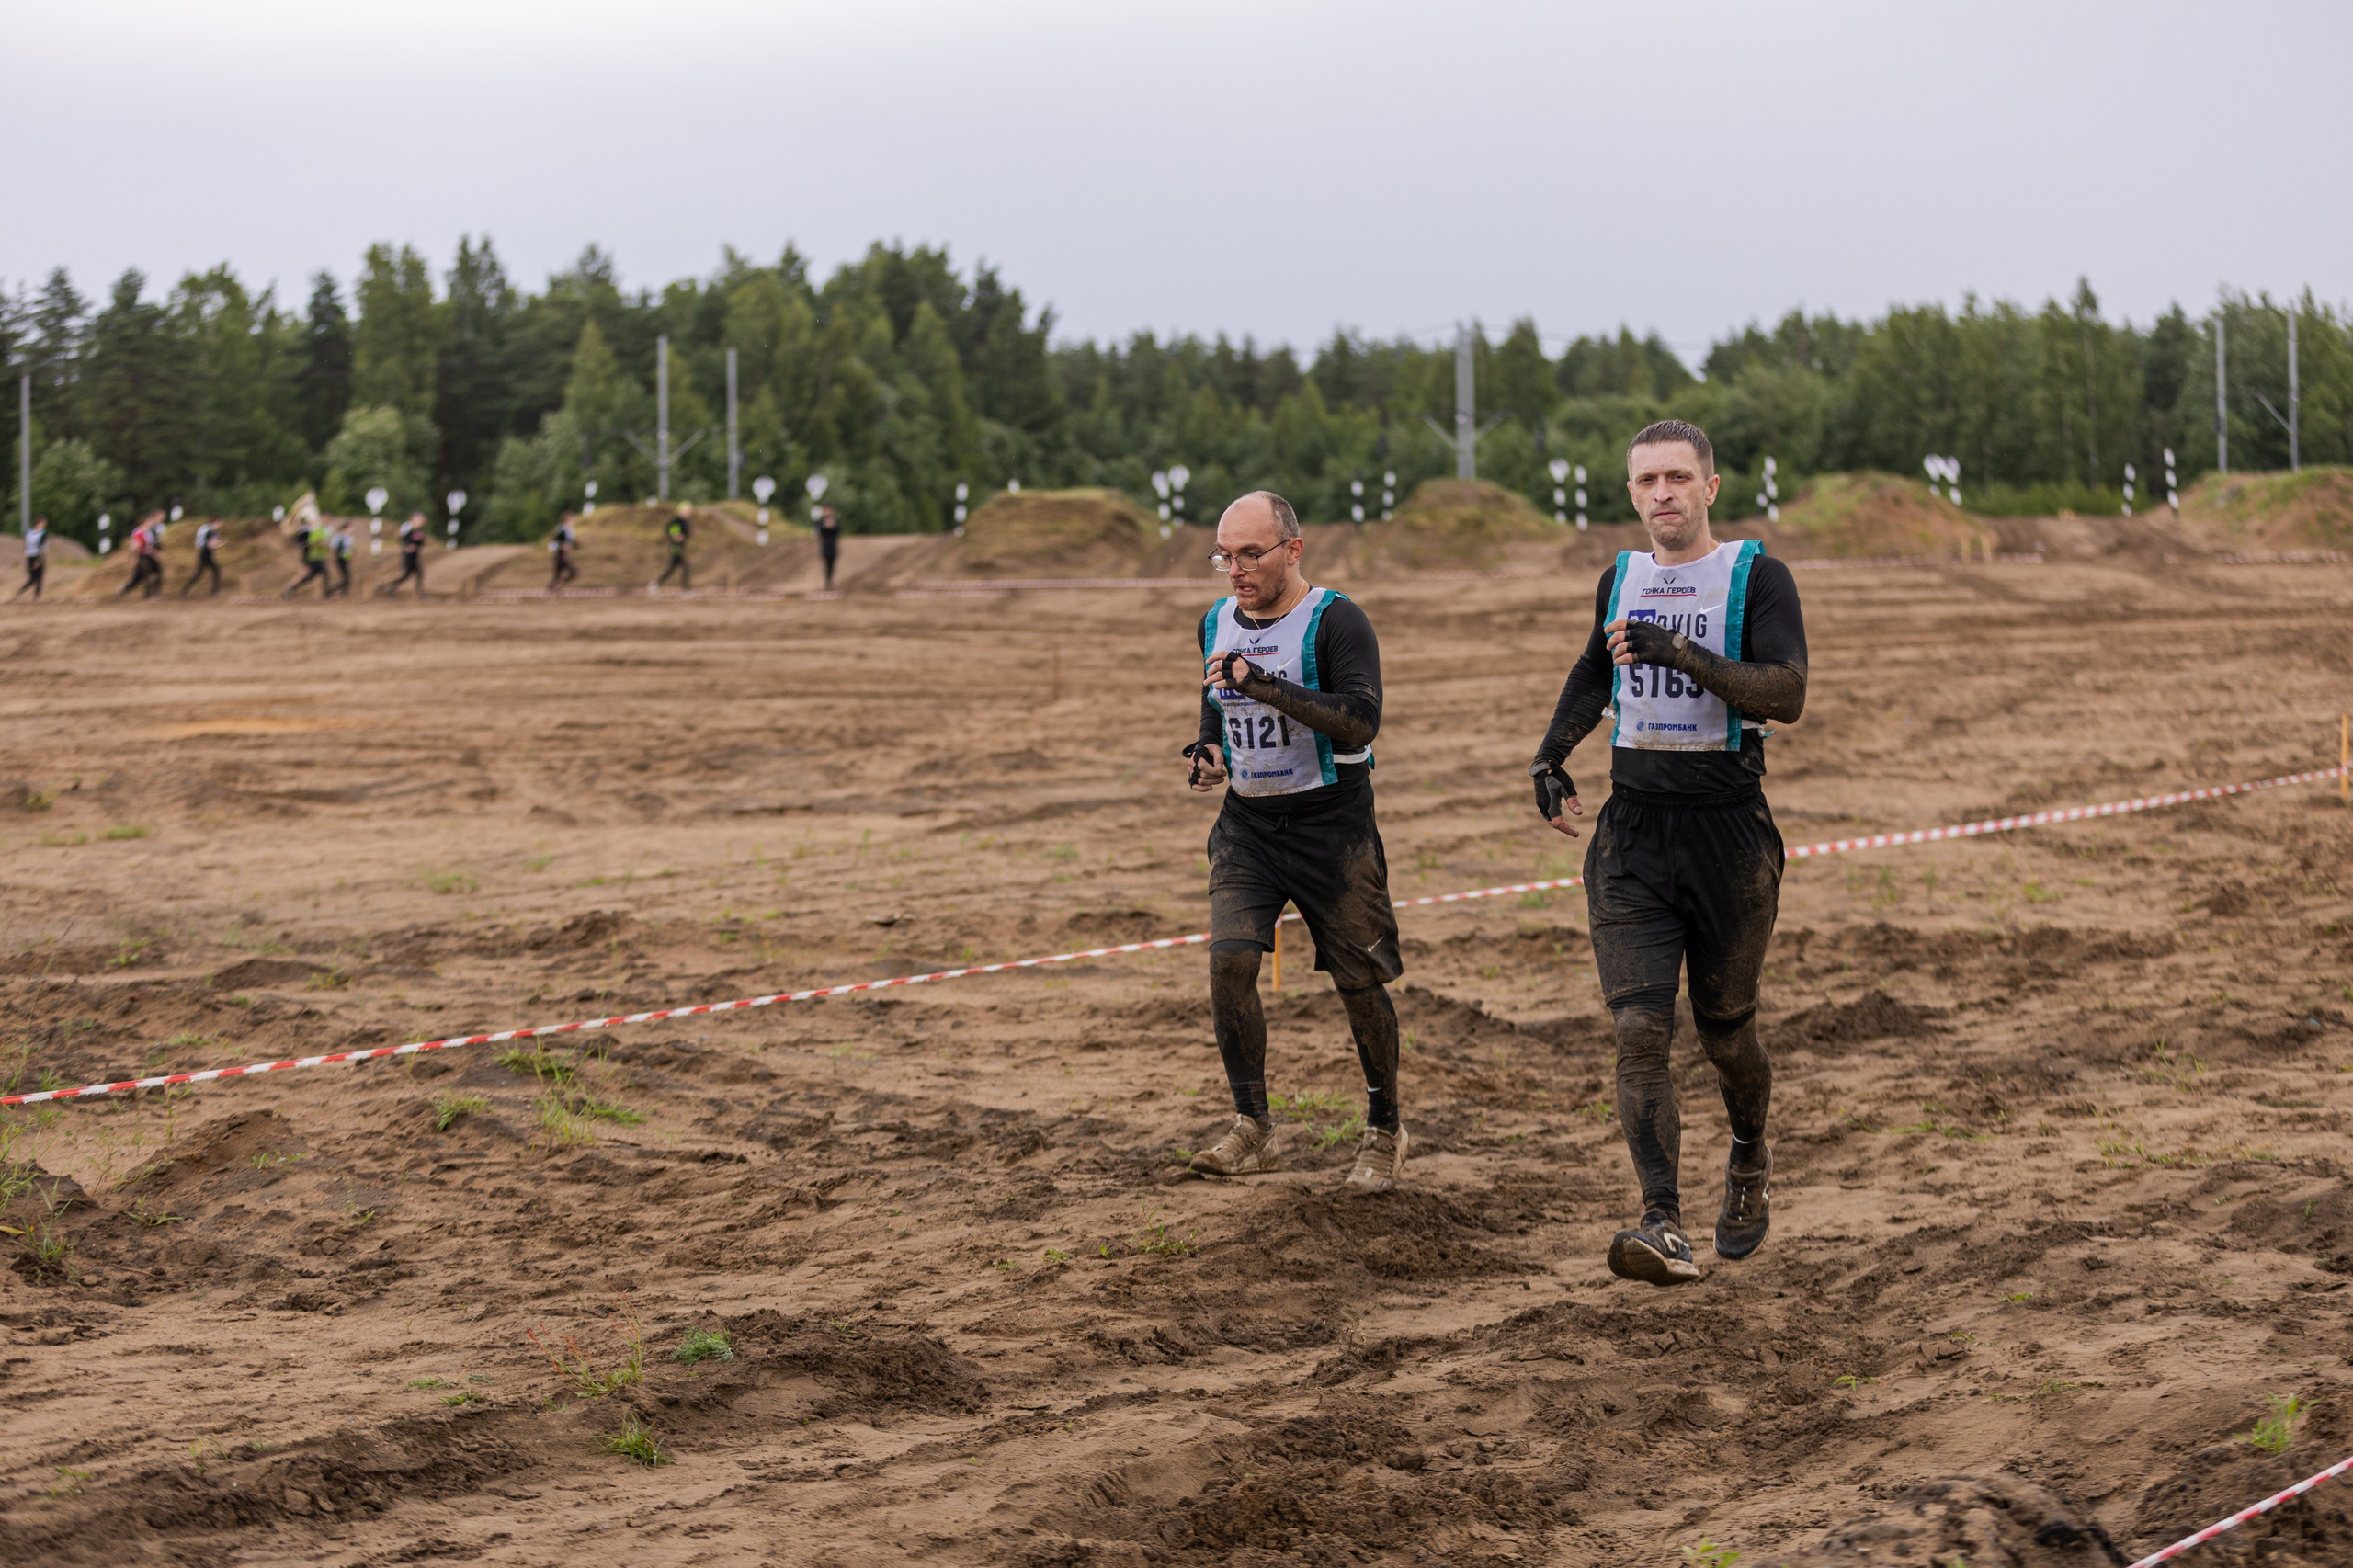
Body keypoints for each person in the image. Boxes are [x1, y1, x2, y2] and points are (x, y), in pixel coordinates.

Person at [1527, 419, 1808, 1287]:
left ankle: (1750, 1152)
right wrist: (1550, 756)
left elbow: (1786, 691)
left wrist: (1682, 651)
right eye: (1647, 480)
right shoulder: (1619, 577)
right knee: (1639, 1030)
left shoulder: (1756, 576)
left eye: (1678, 478)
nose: (1663, 494)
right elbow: (1594, 671)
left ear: (1709, 487)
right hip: (1633, 838)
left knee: (1726, 1032)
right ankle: (1662, 1220)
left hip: (1730, 836)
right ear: (1631, 492)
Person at [1184, 490, 1407, 1194]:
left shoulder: (1337, 621)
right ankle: (1253, 1128)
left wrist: (1265, 684)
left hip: (1332, 826)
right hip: (1248, 826)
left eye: (1251, 554)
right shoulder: (1216, 622)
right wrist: (1208, 751)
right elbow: (1216, 700)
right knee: (1229, 962)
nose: (1236, 569)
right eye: (1225, 555)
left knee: (1359, 982)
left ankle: (1385, 1130)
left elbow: (1361, 721)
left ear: (1293, 550)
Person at [116, 513, 163, 597]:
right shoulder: (139, 533)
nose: (150, 523)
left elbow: (151, 545)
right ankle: (150, 594)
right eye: (149, 521)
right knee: (143, 576)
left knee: (153, 573)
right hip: (142, 557)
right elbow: (136, 548)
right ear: (145, 522)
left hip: (148, 556)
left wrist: (155, 553)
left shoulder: (148, 532)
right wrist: (134, 559)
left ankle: (153, 593)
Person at [283, 517, 331, 599]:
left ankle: (291, 588)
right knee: (307, 573)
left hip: (312, 556)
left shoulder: (313, 531)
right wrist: (318, 543)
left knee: (309, 575)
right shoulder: (307, 531)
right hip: (311, 556)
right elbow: (307, 543)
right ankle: (290, 588)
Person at [386, 513, 428, 597]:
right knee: (406, 574)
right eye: (420, 519)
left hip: (414, 555)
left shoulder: (419, 530)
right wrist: (408, 545)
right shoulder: (408, 527)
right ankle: (389, 587)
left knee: (419, 574)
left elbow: (419, 542)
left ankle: (419, 593)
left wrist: (423, 541)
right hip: (408, 555)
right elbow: (402, 539)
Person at [181, 518, 222, 596]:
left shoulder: (214, 532)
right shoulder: (209, 532)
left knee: (203, 573)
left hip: (208, 555)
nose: (219, 525)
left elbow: (212, 543)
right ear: (215, 522)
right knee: (211, 571)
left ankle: (185, 589)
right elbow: (209, 545)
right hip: (204, 555)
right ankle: (214, 591)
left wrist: (217, 544)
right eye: (218, 523)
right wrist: (219, 544)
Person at [656, 504, 691, 590]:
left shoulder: (686, 522)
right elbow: (672, 531)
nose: (689, 512)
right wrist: (675, 536)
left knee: (671, 568)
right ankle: (686, 589)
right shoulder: (676, 521)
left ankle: (656, 583)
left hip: (680, 547)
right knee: (685, 566)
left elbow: (686, 534)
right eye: (687, 510)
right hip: (675, 547)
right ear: (681, 511)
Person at [14, 516, 49, 601]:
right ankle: (35, 597)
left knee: (33, 579)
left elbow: (25, 545)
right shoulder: (43, 533)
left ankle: (20, 593)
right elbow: (42, 548)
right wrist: (39, 560)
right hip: (37, 556)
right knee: (38, 578)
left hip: (29, 556)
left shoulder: (29, 532)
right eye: (43, 522)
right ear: (39, 523)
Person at [547, 517, 578, 592]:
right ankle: (557, 587)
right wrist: (563, 546)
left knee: (557, 575)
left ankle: (552, 589)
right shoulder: (562, 529)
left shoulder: (568, 529)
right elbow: (557, 540)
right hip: (560, 554)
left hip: (562, 554)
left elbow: (569, 542)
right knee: (573, 572)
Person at [816, 505, 842, 589]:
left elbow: (838, 530)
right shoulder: (821, 522)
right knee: (826, 565)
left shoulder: (835, 521)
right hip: (825, 547)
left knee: (832, 565)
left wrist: (832, 526)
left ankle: (830, 581)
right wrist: (826, 526)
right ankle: (827, 581)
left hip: (833, 546)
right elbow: (819, 531)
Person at [327, 522, 356, 597]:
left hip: (346, 559)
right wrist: (339, 555)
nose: (352, 530)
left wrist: (349, 559)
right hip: (340, 559)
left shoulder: (349, 538)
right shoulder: (339, 537)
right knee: (346, 578)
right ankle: (331, 591)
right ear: (345, 528)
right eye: (350, 528)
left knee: (347, 577)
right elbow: (334, 547)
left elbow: (349, 549)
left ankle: (342, 593)